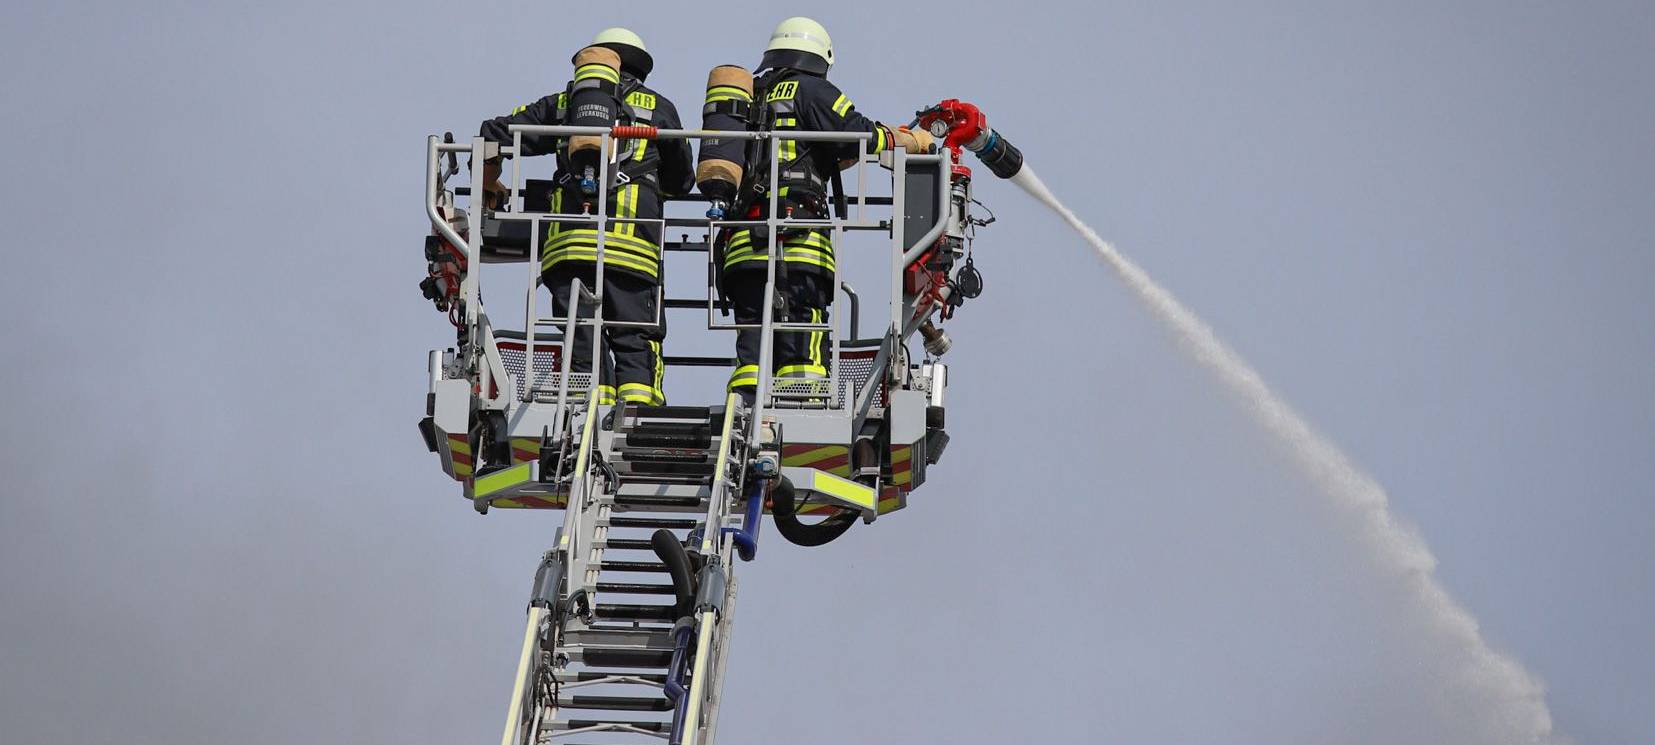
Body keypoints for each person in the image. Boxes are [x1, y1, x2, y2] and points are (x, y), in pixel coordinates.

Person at [713, 17, 932, 400]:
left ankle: (743, 409)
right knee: (803, 337)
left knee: (751, 338)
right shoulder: (814, 90)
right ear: (819, 58)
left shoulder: (748, 96)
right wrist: (910, 140)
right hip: (797, 241)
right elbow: (858, 132)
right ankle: (802, 404)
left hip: (742, 245)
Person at [476, 28, 693, 406]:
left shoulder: (563, 105)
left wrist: (490, 184)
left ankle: (591, 404)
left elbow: (492, 133)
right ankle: (637, 412)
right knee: (635, 339)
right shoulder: (659, 108)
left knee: (581, 337)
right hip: (633, 249)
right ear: (639, 67)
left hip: (569, 247)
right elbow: (683, 180)